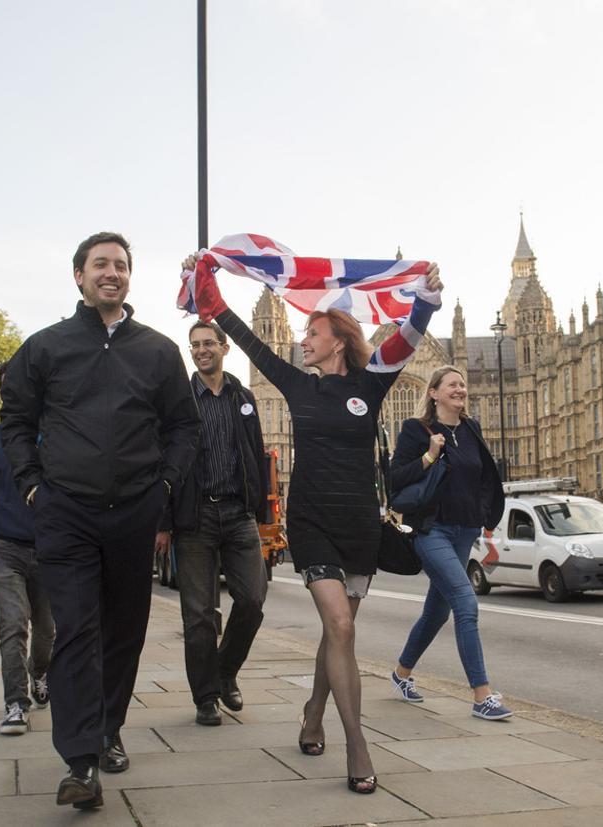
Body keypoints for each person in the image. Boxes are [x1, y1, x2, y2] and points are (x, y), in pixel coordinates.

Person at [184, 251, 442, 794]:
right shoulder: (298, 384)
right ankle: (357, 743)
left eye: (313, 332)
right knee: (342, 627)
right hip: (311, 519)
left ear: (339, 341)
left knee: (337, 632)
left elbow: (407, 340)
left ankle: (314, 710)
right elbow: (246, 339)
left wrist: (426, 299)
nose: (303, 340)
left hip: (358, 525)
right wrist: (207, 286)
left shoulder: (371, 385)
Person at [1, 232, 200, 810]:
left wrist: (164, 484)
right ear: (79, 277)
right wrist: (34, 486)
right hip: (66, 513)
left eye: (120, 265)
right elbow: (15, 421)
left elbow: (182, 427)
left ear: (130, 278)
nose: (111, 273)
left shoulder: (160, 351)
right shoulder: (44, 347)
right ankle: (81, 761)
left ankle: (109, 726)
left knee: (124, 631)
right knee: (77, 631)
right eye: (100, 265)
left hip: (135, 511)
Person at [159, 320, 269, 727]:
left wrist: (262, 511)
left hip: (238, 514)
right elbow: (164, 460)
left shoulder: (244, 396)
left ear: (225, 349)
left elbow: (256, 453)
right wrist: (164, 521)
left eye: (209, 343)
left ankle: (225, 671)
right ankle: (205, 697)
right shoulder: (179, 399)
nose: (201, 350)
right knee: (199, 614)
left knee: (253, 601)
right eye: (195, 345)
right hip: (195, 516)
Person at [387, 365, 511, 720]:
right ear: (434, 393)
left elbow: (485, 475)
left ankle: (401, 674)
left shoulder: (471, 428)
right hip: (431, 531)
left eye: (463, 385)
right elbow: (395, 478)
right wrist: (429, 456)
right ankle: (481, 696)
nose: (461, 389)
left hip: (465, 530)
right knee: (465, 603)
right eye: (453, 385)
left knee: (436, 611)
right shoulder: (416, 430)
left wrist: (483, 515)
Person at [0, 361, 55, 736]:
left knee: (47, 630)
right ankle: (15, 704)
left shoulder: (54, 436)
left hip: (50, 547)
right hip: (5, 549)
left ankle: (40, 673)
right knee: (13, 625)